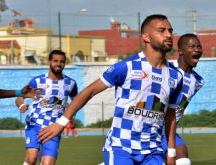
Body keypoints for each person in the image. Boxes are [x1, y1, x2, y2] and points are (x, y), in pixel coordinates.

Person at [39, 14, 183, 165]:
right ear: (146, 37)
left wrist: (171, 152)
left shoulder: (175, 76)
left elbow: (170, 116)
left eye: (170, 31)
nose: (168, 35)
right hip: (121, 148)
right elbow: (89, 92)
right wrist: (61, 123)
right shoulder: (127, 67)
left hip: (154, 151)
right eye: (162, 30)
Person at [15, 50, 78, 165]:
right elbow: (20, 97)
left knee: (48, 163)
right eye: (55, 61)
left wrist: (72, 116)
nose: (58, 64)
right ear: (49, 62)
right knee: (31, 158)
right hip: (34, 124)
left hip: (54, 128)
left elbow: (76, 102)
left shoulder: (71, 83)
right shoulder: (37, 81)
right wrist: (22, 105)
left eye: (62, 61)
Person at [164, 33, 205, 165]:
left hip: (169, 130)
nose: (197, 49)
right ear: (180, 51)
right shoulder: (166, 68)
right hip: (149, 128)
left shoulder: (198, 81)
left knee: (183, 159)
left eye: (199, 46)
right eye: (192, 46)